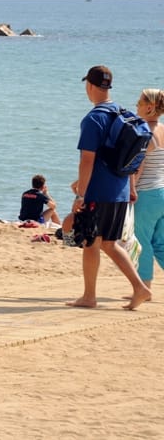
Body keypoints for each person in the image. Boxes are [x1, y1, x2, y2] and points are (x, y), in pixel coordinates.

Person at [67, 65, 151, 310]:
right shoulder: (121, 113)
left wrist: (81, 194)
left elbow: (87, 159)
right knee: (109, 243)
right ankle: (140, 288)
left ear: (89, 86)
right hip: (120, 190)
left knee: (91, 242)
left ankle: (89, 297)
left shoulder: (94, 118)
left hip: (99, 192)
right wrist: (131, 188)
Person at [130, 88, 164, 294]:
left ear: (149, 107)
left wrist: (130, 191)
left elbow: (137, 168)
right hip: (163, 191)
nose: (136, 106)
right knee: (160, 242)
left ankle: (143, 288)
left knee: (141, 241)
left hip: (148, 194)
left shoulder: (145, 133)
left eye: (139, 103)